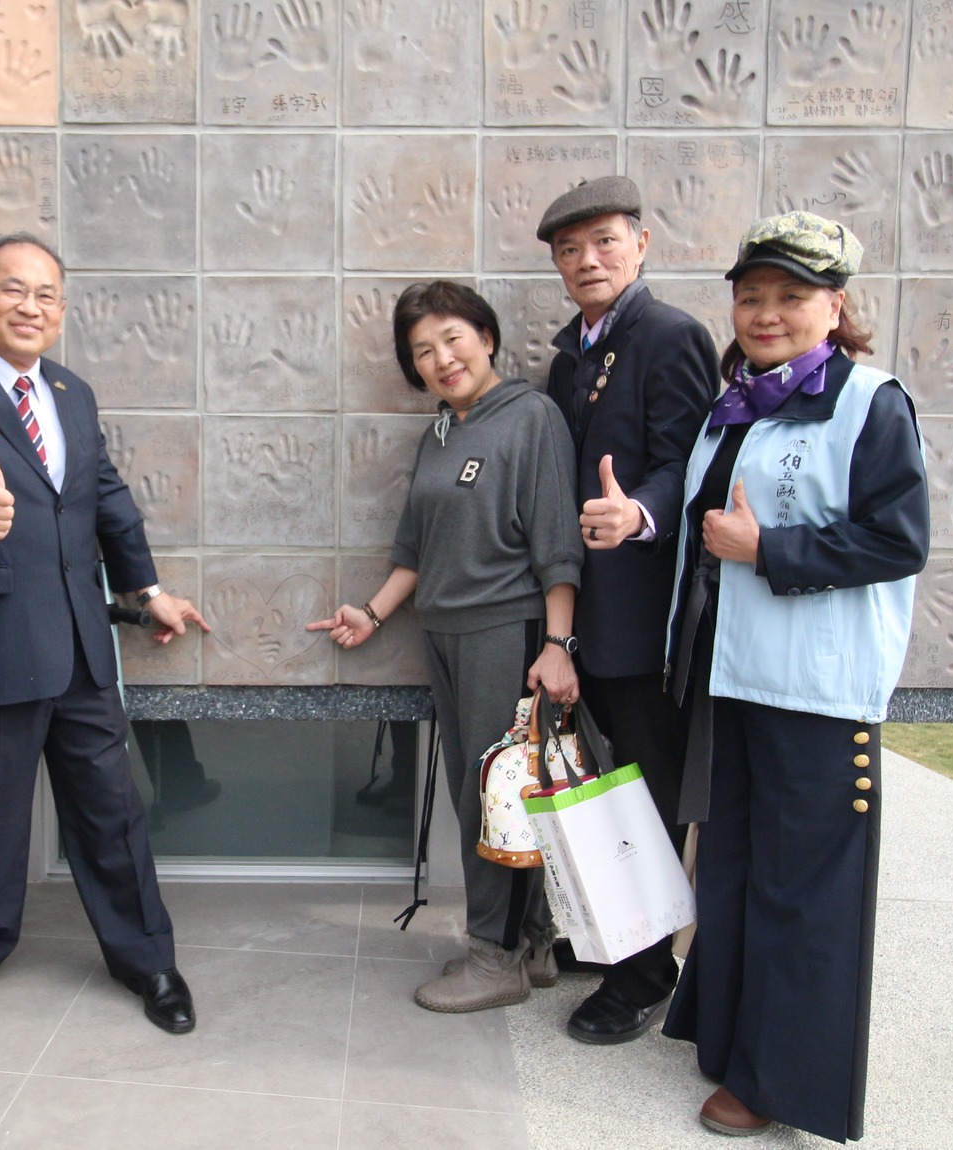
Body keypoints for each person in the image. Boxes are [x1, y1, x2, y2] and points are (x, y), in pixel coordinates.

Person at [0, 233, 212, 1035]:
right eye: (14, 289)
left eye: (47, 295)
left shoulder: (71, 392)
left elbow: (105, 497)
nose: (32, 307)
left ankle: (147, 960)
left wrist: (148, 590)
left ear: (61, 310)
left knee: (113, 812)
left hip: (81, 642)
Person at [657, 212, 928, 1141]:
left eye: (790, 296)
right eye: (750, 296)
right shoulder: (737, 404)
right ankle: (730, 1035)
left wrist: (768, 549)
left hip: (815, 690)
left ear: (835, 307)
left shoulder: (868, 403)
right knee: (733, 867)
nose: (765, 313)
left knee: (802, 889)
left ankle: (781, 1082)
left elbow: (899, 541)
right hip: (732, 677)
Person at [308, 281, 583, 1013]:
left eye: (453, 338)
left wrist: (558, 643)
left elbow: (558, 542)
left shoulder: (531, 417)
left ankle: (494, 957)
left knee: (496, 796)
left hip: (505, 632)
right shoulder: (439, 433)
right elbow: (416, 549)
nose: (442, 358)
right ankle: (531, 944)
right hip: (445, 634)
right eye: (423, 350)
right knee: (487, 793)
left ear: (487, 338)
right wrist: (372, 614)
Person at [535, 176, 719, 1043]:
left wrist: (639, 511)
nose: (588, 260)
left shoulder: (671, 335)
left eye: (605, 241)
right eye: (570, 250)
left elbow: (691, 462)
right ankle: (620, 934)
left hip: (647, 626)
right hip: (587, 622)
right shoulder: (570, 354)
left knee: (649, 795)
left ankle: (646, 974)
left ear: (642, 244)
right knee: (605, 790)